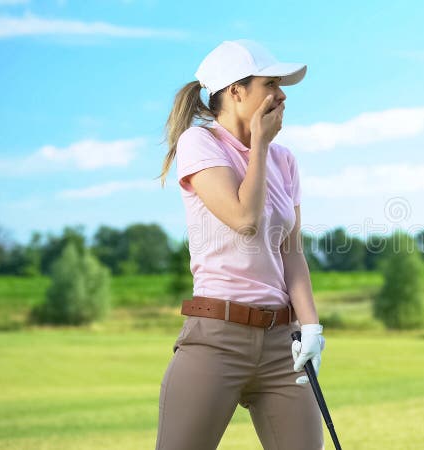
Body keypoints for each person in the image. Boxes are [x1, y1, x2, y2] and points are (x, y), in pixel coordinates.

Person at [154, 39, 326, 450]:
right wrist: (260, 146)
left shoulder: (285, 160)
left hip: (281, 343)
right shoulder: (200, 144)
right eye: (271, 83)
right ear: (236, 91)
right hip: (217, 338)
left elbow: (292, 252)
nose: (282, 94)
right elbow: (244, 219)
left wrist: (311, 326)